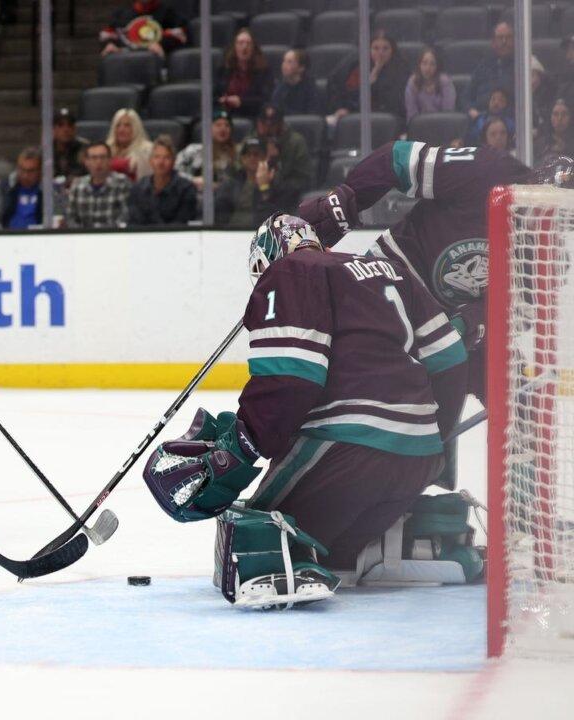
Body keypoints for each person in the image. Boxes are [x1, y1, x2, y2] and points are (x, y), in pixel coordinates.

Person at [142, 214, 472, 610]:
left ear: (265, 261)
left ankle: (289, 563)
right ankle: (404, 541)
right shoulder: (391, 270)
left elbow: (291, 378)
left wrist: (241, 448)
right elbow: (451, 358)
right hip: (417, 461)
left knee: (253, 534)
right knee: (334, 550)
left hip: (346, 452)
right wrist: (434, 434)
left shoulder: (291, 271)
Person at [296, 139, 574, 486]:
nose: (550, 225)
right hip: (395, 287)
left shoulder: (550, 252)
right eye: (548, 211)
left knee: (520, 397)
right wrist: (344, 203)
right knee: (372, 393)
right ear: (532, 187)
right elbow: (398, 160)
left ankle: (517, 512)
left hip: (450, 327)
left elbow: (516, 314)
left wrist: (469, 323)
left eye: (562, 219)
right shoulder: (488, 170)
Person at [328, 28, 411, 121]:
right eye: (376, 48)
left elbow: (398, 102)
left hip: (391, 120)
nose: (380, 53)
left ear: (392, 50)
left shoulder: (402, 69)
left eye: (385, 48)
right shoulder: (358, 67)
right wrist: (371, 80)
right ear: (369, 49)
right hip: (360, 119)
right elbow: (350, 98)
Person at [216, 137, 289, 228]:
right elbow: (219, 212)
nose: (252, 158)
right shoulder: (232, 182)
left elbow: (277, 217)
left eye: (256, 154)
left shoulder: (277, 181)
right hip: (230, 232)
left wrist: (264, 187)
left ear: (264, 157)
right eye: (248, 154)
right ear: (242, 159)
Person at [249, 103, 312, 208]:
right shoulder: (251, 141)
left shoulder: (296, 142)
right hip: (253, 197)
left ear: (281, 123)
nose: (268, 128)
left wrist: (275, 163)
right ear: (258, 123)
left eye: (272, 124)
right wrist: (267, 161)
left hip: (287, 200)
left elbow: (304, 180)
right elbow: (242, 174)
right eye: (264, 123)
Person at [126, 136, 196, 226]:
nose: (161, 162)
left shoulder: (186, 189)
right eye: (157, 157)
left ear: (174, 162)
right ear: (150, 161)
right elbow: (134, 222)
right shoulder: (138, 188)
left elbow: (182, 223)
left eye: (166, 157)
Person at [65, 141, 131, 228]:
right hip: (83, 238)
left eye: (103, 157)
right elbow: (70, 217)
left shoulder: (122, 182)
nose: (98, 162)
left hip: (114, 237)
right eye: (94, 158)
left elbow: (125, 216)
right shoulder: (77, 185)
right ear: (86, 161)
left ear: (110, 160)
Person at [214, 28, 274, 121]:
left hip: (252, 116)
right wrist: (222, 100)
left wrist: (241, 102)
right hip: (225, 115)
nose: (244, 47)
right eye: (240, 43)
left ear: (253, 47)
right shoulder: (223, 70)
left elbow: (265, 100)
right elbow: (214, 95)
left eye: (248, 43)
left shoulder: (264, 71)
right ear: (234, 47)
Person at [175, 107, 236, 192]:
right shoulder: (193, 150)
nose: (223, 129)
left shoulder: (236, 155)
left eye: (227, 125)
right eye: (218, 125)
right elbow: (173, 171)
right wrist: (193, 180)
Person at [99, 0, 186, 59]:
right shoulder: (121, 15)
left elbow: (180, 35)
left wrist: (161, 44)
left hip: (158, 64)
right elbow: (107, 35)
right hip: (128, 64)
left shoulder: (168, 13)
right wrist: (109, 44)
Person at [467, 20, 515, 124]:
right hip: (482, 118)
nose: (504, 41)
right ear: (493, 42)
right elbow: (467, 96)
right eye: (500, 37)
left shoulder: (522, 65)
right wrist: (471, 110)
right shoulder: (483, 65)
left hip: (511, 119)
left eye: (508, 37)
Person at [0, 146, 42, 230]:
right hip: (7, 238)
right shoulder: (3, 187)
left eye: (31, 171)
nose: (25, 175)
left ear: (40, 171)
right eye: (22, 170)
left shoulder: (48, 189)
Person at [404, 47, 455, 123]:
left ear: (437, 66)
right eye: (424, 63)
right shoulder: (412, 82)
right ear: (419, 65)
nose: (428, 68)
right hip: (419, 127)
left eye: (432, 64)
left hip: (442, 126)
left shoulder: (445, 82)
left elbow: (448, 113)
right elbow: (411, 114)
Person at [270, 49, 323, 117]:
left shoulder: (311, 88)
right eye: (284, 61)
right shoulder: (279, 87)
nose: (284, 65)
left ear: (301, 68)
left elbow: (313, 116)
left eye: (289, 62)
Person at [106, 108, 152, 180]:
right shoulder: (107, 148)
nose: (121, 130)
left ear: (135, 128)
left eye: (127, 125)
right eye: (118, 125)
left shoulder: (147, 149)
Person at [52, 108, 87, 186]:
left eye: (70, 125)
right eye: (60, 125)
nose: (66, 129)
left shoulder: (85, 149)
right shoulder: (46, 151)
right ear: (53, 129)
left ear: (75, 128)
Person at [537, 98, 574, 163]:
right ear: (550, 117)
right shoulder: (541, 144)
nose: (560, 118)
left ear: (571, 118)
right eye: (555, 114)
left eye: (564, 114)